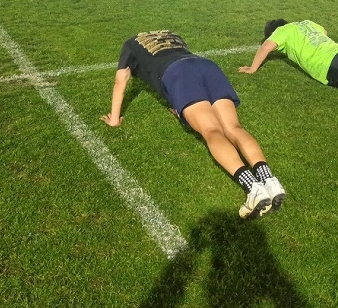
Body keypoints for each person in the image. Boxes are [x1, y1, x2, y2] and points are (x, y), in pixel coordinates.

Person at [102, 30, 285, 220]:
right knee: (233, 127)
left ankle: (253, 187)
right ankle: (269, 180)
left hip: (178, 73)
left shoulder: (130, 44)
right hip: (206, 66)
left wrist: (114, 119)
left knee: (211, 130)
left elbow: (121, 81)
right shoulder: (171, 34)